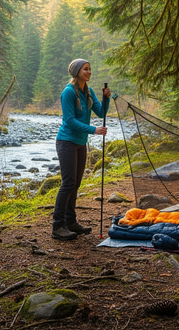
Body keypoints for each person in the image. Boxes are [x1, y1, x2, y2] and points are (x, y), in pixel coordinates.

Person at [52, 58, 111, 241]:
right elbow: (69, 120)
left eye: (90, 69)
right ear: (77, 71)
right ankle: (57, 226)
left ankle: (70, 222)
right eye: (85, 69)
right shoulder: (68, 92)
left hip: (80, 143)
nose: (89, 72)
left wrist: (105, 98)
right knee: (68, 183)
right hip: (66, 142)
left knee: (75, 184)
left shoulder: (88, 91)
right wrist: (93, 130)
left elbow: (101, 112)